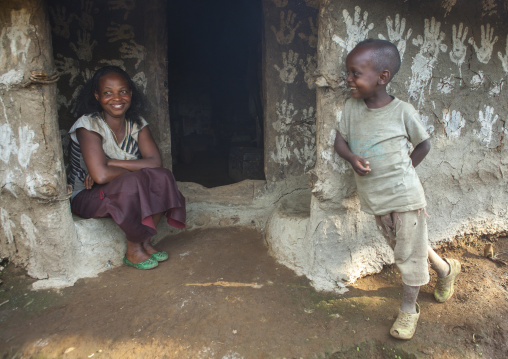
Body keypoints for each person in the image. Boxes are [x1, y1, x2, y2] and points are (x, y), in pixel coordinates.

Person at [334, 39, 461, 340]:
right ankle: (445, 270)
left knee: (409, 255)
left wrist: (404, 171)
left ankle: (409, 309)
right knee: (405, 246)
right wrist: (351, 157)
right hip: (375, 198)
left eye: (354, 73)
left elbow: (424, 144)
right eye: (347, 73)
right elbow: (340, 141)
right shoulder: (352, 109)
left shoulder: (402, 111)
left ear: (382, 77)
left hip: (405, 195)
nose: (348, 79)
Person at [68, 66, 186, 270]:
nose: (117, 98)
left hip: (120, 189)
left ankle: (145, 240)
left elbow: (155, 163)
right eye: (107, 93)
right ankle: (133, 249)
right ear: (97, 96)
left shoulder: (137, 123)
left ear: (130, 94)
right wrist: (135, 174)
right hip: (87, 196)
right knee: (137, 181)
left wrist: (111, 162)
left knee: (162, 177)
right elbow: (100, 175)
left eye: (123, 91)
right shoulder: (88, 125)